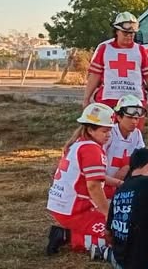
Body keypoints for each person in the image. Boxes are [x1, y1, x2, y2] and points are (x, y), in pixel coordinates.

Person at [46, 103, 115, 255]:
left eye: (110, 130)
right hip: (74, 209)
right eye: (105, 131)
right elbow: (94, 187)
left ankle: (69, 233)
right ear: (90, 130)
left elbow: (92, 178)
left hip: (63, 204)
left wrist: (118, 183)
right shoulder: (91, 149)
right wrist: (108, 215)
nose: (108, 135)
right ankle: (68, 236)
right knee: (118, 234)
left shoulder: (78, 144)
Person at [84, 12, 148, 121]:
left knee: (133, 135)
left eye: (132, 33)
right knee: (105, 134)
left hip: (135, 102)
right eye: (126, 33)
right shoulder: (104, 49)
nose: (129, 36)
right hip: (108, 101)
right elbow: (95, 76)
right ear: (117, 31)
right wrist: (86, 99)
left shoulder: (140, 51)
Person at [103, 94, 146, 197]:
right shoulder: (109, 133)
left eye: (137, 118)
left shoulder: (137, 134)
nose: (134, 122)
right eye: (130, 117)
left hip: (124, 185)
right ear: (118, 117)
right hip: (104, 184)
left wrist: (127, 167)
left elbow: (143, 158)